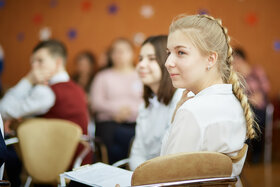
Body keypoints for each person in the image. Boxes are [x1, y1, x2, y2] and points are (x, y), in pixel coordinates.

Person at [161, 14, 258, 178]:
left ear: (211, 59)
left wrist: (176, 118)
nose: (168, 62)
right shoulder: (233, 101)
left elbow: (165, 174)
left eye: (181, 52)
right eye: (169, 52)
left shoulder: (192, 111)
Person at [0, 40, 92, 186]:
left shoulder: (47, 92)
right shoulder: (76, 88)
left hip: (55, 164)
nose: (33, 67)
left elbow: (3, 109)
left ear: (57, 62)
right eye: (32, 62)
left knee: (7, 153)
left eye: (40, 61)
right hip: (79, 161)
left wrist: (28, 79)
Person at [129, 35, 183, 170]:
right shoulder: (147, 104)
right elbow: (137, 152)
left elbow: (171, 155)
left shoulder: (180, 99)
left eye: (151, 59)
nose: (141, 65)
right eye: (140, 59)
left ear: (168, 63)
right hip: (146, 177)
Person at [90, 38, 143, 164]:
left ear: (132, 53)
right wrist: (117, 111)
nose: (119, 55)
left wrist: (129, 111)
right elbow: (96, 102)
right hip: (109, 123)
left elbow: (148, 102)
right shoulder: (103, 76)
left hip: (137, 121)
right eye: (115, 51)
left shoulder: (141, 74)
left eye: (123, 51)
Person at [233, 48, 270, 163]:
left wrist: (253, 98)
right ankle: (242, 151)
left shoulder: (256, 71)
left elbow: (265, 89)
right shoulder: (236, 77)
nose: (233, 63)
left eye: (234, 60)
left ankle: (254, 152)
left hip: (258, 108)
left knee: (253, 115)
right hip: (245, 108)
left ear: (240, 59)